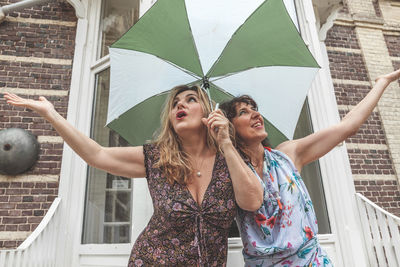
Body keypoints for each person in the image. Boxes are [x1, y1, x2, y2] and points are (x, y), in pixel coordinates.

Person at [3, 84, 263, 266]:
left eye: (190, 100)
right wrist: (52, 115)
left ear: (208, 112)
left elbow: (252, 201)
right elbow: (97, 155)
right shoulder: (158, 158)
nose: (180, 105)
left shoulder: (230, 158)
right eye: (174, 104)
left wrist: (226, 143)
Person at [218, 68, 400, 266]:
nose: (255, 115)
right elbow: (251, 201)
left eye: (255, 109)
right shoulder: (228, 171)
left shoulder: (287, 155)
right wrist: (225, 143)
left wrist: (383, 82)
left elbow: (347, 127)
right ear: (230, 127)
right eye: (244, 112)